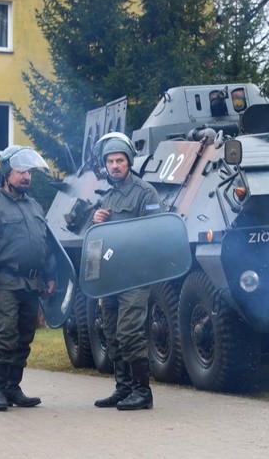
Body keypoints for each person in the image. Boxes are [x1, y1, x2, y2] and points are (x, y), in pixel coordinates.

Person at [0, 145, 56, 411]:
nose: (26, 176)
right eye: (20, 172)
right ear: (6, 174)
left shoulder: (34, 207)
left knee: (24, 336)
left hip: (32, 283)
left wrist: (49, 276)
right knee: (4, 334)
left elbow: (46, 245)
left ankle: (12, 387)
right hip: (5, 282)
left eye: (29, 172)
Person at [91, 132, 162, 411]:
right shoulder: (105, 198)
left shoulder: (145, 192)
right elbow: (96, 242)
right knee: (111, 332)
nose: (115, 165)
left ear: (129, 162)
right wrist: (94, 221)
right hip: (111, 277)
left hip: (135, 275)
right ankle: (123, 389)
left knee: (130, 331)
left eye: (119, 160)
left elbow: (157, 231)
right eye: (110, 161)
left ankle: (143, 392)